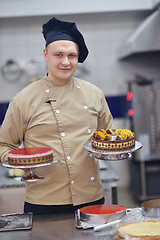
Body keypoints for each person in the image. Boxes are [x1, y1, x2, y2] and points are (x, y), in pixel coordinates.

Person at [0, 17, 113, 215]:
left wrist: (113, 151)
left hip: (92, 198)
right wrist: (22, 164)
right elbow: (4, 146)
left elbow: (107, 137)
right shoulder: (23, 99)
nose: (66, 62)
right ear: (45, 55)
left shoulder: (94, 93)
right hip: (44, 203)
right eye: (58, 55)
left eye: (72, 55)